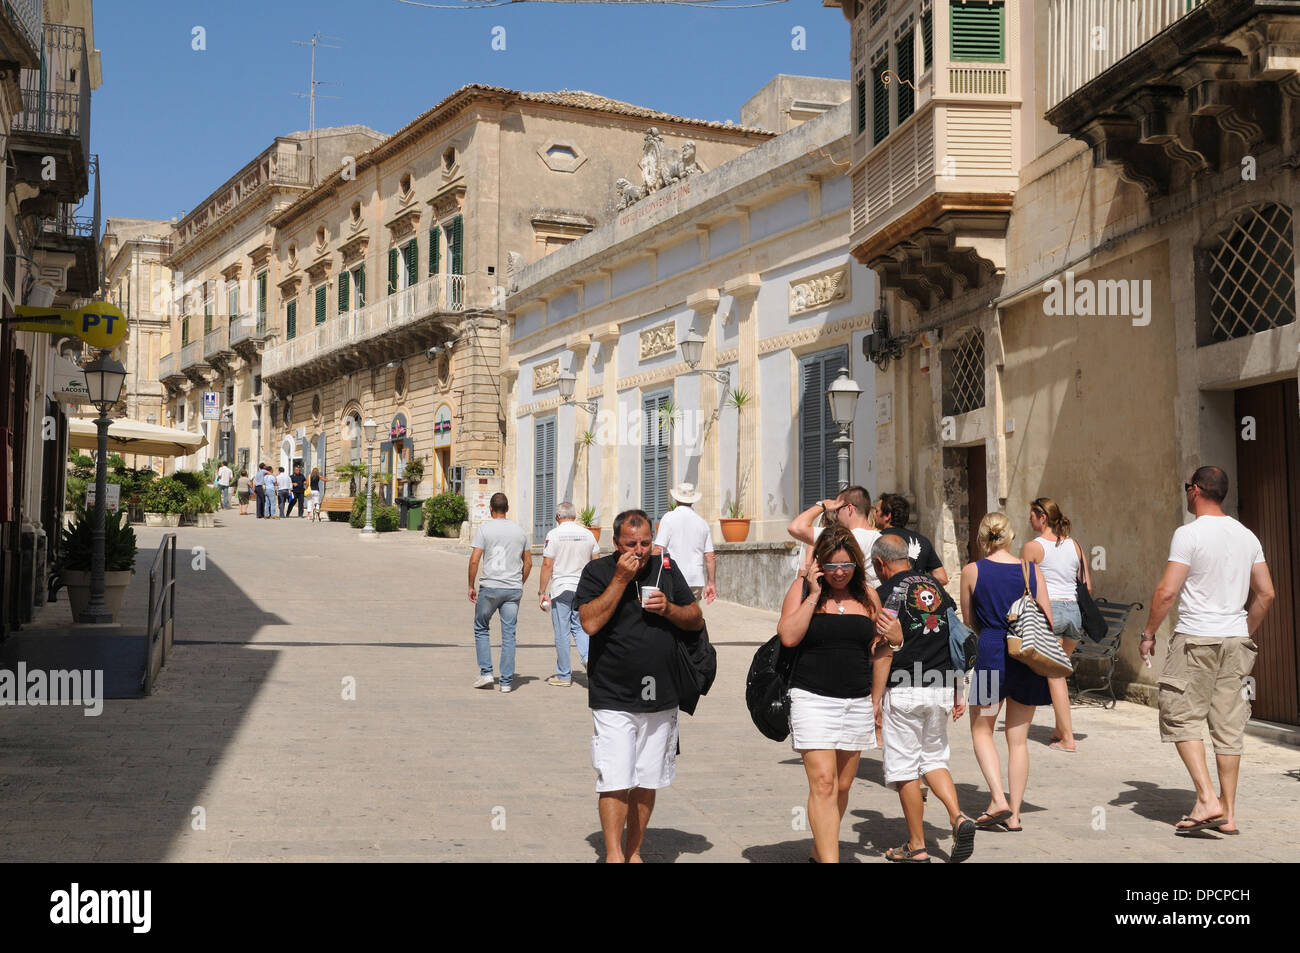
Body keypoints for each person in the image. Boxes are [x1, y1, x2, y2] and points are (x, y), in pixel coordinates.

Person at [1140, 466, 1274, 836]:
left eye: (1187, 488)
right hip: (1235, 641)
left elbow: (1166, 592)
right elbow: (1266, 593)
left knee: (1179, 715)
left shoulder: (1188, 534)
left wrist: (1149, 632)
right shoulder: (1247, 536)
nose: (1186, 493)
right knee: (1229, 727)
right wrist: (1242, 631)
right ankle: (1228, 815)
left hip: (1197, 639)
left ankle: (1205, 799)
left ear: (1196, 490)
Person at [575, 509, 704, 863]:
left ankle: (634, 852)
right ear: (616, 543)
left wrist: (669, 610)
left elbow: (695, 619)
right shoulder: (598, 572)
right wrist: (618, 580)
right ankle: (614, 855)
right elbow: (589, 623)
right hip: (613, 693)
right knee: (615, 777)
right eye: (631, 543)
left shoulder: (666, 569)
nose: (639, 550)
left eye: (646, 542)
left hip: (661, 693)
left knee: (648, 779)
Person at [776, 524, 889, 863]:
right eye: (832, 566)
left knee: (841, 786)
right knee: (824, 782)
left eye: (846, 566)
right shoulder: (801, 590)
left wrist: (876, 700)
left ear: (856, 563)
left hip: (855, 700)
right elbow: (788, 637)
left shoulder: (868, 596)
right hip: (811, 698)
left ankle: (818, 850)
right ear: (818, 565)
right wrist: (812, 593)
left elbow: (880, 650)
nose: (839, 573)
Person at [869, 533, 975, 863]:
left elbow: (884, 651)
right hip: (941, 685)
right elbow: (953, 637)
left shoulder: (884, 594)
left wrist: (875, 702)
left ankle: (917, 846)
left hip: (905, 689)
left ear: (880, 564)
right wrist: (958, 688)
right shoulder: (936, 588)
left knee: (904, 770)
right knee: (933, 759)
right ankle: (958, 817)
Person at [961, 512, 1053, 833]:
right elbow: (1048, 620)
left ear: (982, 538)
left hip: (990, 656)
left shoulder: (972, 571)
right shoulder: (1031, 570)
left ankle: (997, 798)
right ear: (1011, 536)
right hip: (1026, 657)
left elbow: (970, 618)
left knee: (982, 728)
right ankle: (1013, 814)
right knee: (1018, 740)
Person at [1023, 497, 1091, 752]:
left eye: (1031, 515)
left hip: (1050, 611)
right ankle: (1059, 729)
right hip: (1074, 613)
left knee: (1055, 675)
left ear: (1042, 518)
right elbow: (1087, 585)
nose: (1028, 519)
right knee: (1059, 673)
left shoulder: (1033, 547)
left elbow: (1026, 587)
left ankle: (1068, 739)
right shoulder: (1075, 545)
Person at [468, 493, 531, 693]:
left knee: (481, 627)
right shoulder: (520, 532)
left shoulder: (484, 529)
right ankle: (506, 682)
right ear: (508, 508)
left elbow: (475, 560)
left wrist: (470, 585)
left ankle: (486, 673)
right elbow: (528, 562)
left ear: (490, 509)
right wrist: (519, 582)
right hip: (512, 588)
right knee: (509, 635)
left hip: (490, 586)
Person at [538, 501, 600, 686]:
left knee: (562, 632)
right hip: (582, 589)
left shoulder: (554, 534)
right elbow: (595, 561)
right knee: (580, 627)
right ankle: (588, 657)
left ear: (558, 516)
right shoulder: (588, 534)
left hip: (561, 588)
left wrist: (542, 591)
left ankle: (564, 675)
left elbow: (548, 564)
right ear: (574, 515)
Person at [787, 485, 883, 588]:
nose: (835, 516)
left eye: (837, 510)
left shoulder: (844, 537)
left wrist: (822, 505)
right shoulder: (880, 538)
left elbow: (795, 528)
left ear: (849, 508)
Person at [652, 482, 716, 603]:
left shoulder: (668, 518)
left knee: (672, 617)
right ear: (693, 500)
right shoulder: (702, 523)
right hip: (696, 580)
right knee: (691, 617)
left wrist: (649, 573)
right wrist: (711, 583)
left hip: (673, 578)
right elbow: (710, 556)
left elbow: (658, 549)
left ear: (676, 499)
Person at [876, 492, 948, 586]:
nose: (875, 515)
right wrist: (918, 580)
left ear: (887, 516)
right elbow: (942, 578)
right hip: (915, 597)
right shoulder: (922, 541)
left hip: (885, 598)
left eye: (877, 511)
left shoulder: (876, 540)